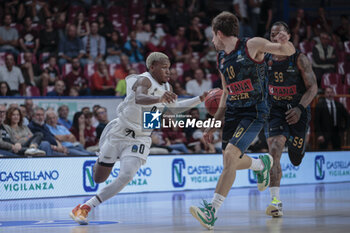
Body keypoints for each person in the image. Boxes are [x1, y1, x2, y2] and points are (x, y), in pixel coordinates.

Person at [69, 52, 208, 225]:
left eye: (169, 68)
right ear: (152, 67)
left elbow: (174, 109)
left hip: (141, 138)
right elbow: (140, 97)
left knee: (126, 175)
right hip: (120, 131)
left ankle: (85, 207)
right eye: (164, 67)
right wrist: (159, 98)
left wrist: (200, 99)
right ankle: (100, 157)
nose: (168, 71)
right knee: (98, 178)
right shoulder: (144, 80)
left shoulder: (167, 88)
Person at [189, 12, 295, 230]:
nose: (211, 41)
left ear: (219, 33)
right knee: (231, 162)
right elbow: (226, 93)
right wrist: (214, 122)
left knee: (229, 157)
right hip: (234, 112)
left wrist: (286, 43)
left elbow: (286, 51)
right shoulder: (221, 58)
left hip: (255, 111)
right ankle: (261, 164)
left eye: (212, 36)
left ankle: (211, 211)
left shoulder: (252, 45)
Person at [264, 22, 317, 217]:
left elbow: (313, 88)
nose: (275, 37)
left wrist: (300, 108)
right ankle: (275, 202)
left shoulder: (299, 58)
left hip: (298, 110)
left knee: (295, 159)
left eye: (280, 33)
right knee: (275, 150)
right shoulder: (264, 58)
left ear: (288, 36)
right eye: (272, 34)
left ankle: (298, 150)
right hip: (275, 110)